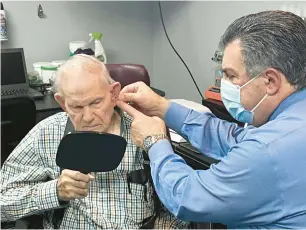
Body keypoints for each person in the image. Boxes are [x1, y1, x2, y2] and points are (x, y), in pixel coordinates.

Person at [116, 10, 306, 228]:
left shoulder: (268, 151)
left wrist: (155, 142)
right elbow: (236, 138)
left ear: (270, 81)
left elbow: (187, 198)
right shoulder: (290, 124)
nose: (222, 82)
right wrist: (163, 107)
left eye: (230, 75)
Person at [0, 54, 188, 229]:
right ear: (62, 103)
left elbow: (179, 206)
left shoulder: (145, 130)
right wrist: (54, 191)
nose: (88, 117)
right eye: (76, 107)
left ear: (114, 93)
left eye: (96, 103)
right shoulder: (47, 133)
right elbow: (3, 204)